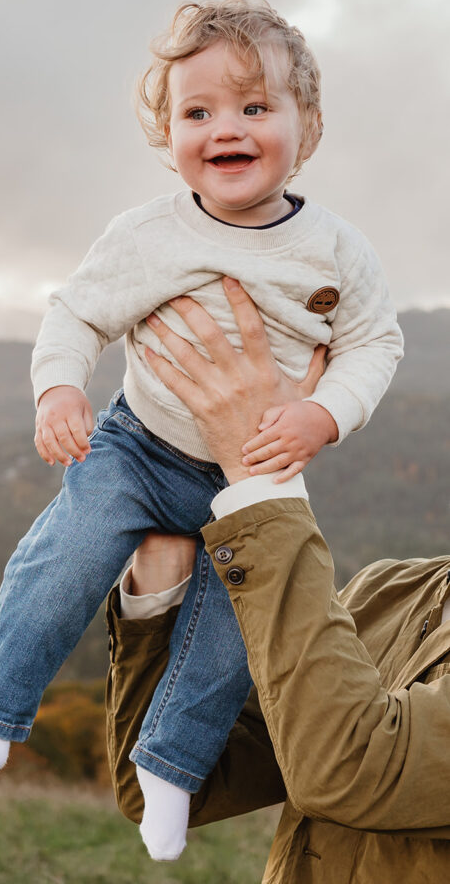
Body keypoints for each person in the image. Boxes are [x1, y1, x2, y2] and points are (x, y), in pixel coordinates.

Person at [0, 0, 403, 860]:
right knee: (69, 552)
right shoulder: (149, 234)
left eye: (255, 107)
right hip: (136, 447)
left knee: (236, 636)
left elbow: (375, 342)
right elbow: (76, 314)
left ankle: (170, 769)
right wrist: (58, 393)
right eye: (199, 112)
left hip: (254, 474)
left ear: (306, 129)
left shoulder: (336, 251)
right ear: (169, 135)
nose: (226, 127)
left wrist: (322, 413)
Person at [106, 283, 450, 881]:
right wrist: (160, 583)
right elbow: (174, 784)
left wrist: (256, 480)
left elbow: (350, 769)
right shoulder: (388, 592)